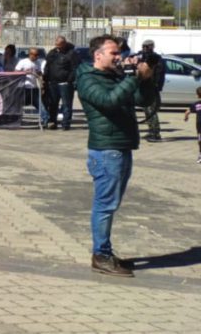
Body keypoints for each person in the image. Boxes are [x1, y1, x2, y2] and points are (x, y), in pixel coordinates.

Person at [76, 34, 155, 277]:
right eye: (113, 53)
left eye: (119, 52)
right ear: (97, 55)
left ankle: (105, 252)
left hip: (122, 146)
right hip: (106, 150)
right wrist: (132, 78)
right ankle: (101, 255)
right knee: (105, 205)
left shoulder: (116, 76)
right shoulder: (87, 79)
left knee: (112, 204)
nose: (118, 57)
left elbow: (144, 100)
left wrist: (145, 79)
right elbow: (109, 101)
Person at [44, 36, 80, 131]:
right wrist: (45, 78)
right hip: (52, 83)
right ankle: (52, 122)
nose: (58, 47)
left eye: (59, 45)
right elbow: (47, 65)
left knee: (66, 105)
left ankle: (65, 124)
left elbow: (75, 68)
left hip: (65, 84)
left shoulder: (71, 53)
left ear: (64, 44)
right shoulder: (52, 53)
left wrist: (69, 80)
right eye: (56, 45)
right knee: (52, 104)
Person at [139, 39, 166, 142]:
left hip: (152, 88)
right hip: (144, 87)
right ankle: (151, 130)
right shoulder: (143, 57)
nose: (145, 48)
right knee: (146, 110)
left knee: (152, 111)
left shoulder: (156, 58)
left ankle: (156, 133)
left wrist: (157, 86)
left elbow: (159, 74)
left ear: (152, 47)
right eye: (144, 46)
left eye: (147, 46)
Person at [15, 48, 46, 124]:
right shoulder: (23, 62)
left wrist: (39, 74)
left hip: (34, 87)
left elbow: (39, 73)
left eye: (37, 55)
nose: (36, 57)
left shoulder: (38, 62)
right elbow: (16, 72)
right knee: (19, 105)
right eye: (35, 55)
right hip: (23, 87)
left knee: (40, 105)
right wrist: (25, 72)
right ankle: (17, 120)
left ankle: (46, 120)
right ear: (30, 54)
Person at [183, 87, 201, 164]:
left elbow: (187, 111)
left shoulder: (196, 104)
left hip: (199, 125)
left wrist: (186, 117)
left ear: (197, 95)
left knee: (200, 140)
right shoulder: (196, 104)